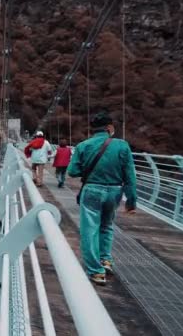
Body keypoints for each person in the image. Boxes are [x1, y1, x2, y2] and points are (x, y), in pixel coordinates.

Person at [67, 112, 137, 286]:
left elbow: (73, 171)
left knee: (89, 230)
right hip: (115, 191)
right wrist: (131, 201)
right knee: (106, 226)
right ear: (109, 128)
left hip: (91, 190)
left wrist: (89, 170)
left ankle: (96, 271)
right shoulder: (122, 145)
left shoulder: (83, 145)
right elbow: (130, 176)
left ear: (93, 129)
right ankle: (105, 260)